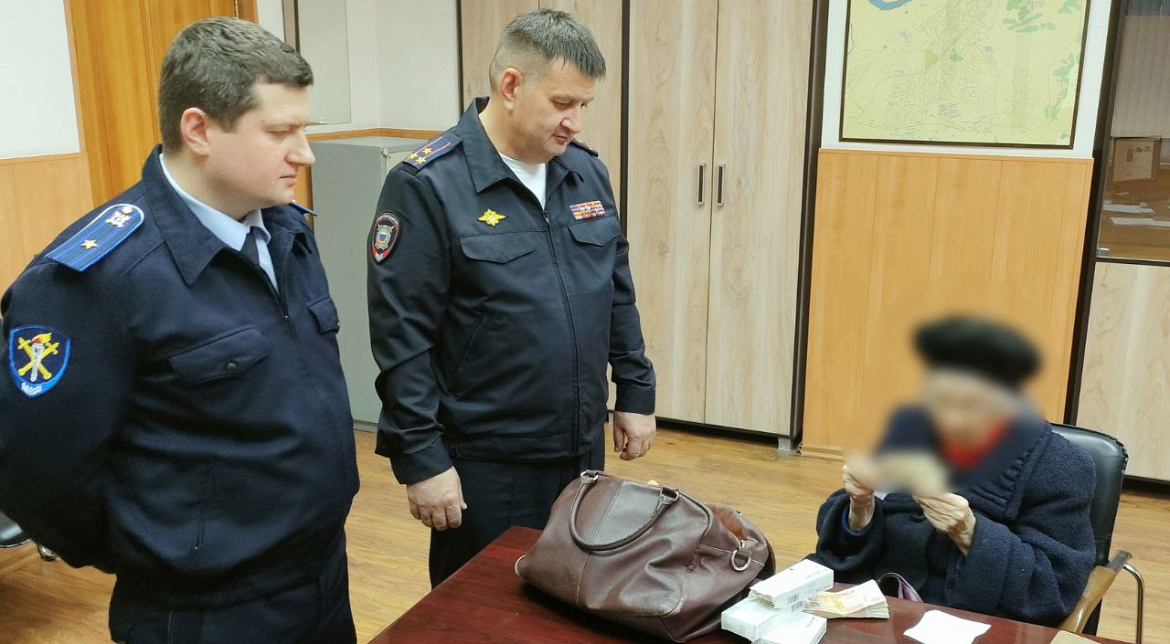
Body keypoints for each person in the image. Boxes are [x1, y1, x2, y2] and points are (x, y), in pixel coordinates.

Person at [0, 18, 359, 643]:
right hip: (205, 612)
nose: (305, 153)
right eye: (281, 132)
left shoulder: (284, 228)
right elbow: (34, 470)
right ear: (198, 130)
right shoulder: (95, 279)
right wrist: (158, 554)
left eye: (305, 129)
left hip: (321, 577)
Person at [368, 9, 657, 586]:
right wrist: (422, 460)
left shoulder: (584, 173)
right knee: (482, 611)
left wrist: (635, 389)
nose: (575, 122)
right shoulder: (428, 184)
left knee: (575, 596)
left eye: (584, 105)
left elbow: (616, 292)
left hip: (579, 447)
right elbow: (402, 338)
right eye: (562, 103)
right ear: (510, 85)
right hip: (486, 460)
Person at [813, 316, 1096, 626]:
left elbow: (1053, 589)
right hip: (871, 601)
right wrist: (859, 509)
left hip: (965, 619)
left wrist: (970, 533)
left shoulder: (1061, 466)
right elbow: (837, 541)